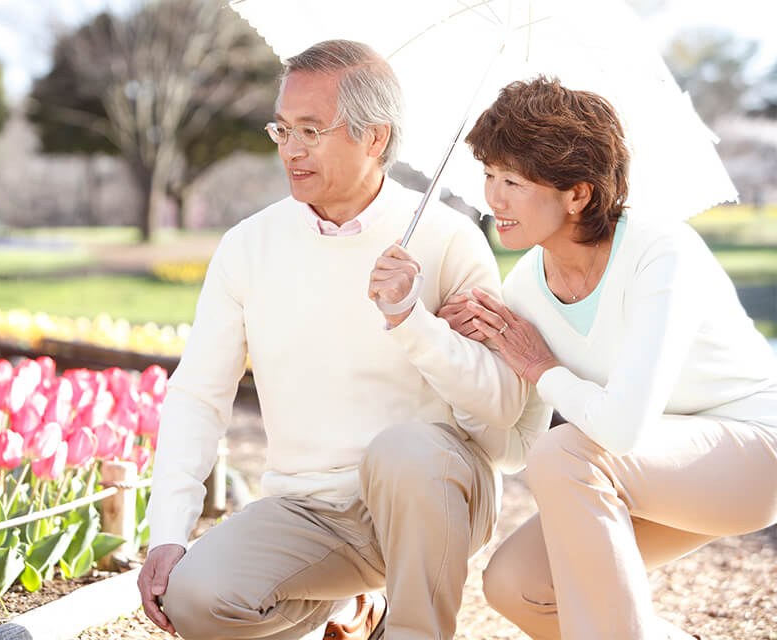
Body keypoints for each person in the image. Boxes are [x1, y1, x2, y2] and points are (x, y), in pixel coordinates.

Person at [136, 40, 548, 640]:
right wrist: (169, 532)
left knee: (405, 451)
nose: (291, 149)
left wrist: (412, 318)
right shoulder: (248, 246)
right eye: (282, 129)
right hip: (307, 511)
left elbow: (503, 405)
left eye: (310, 130)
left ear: (374, 137)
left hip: (430, 500)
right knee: (195, 601)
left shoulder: (449, 240)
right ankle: (350, 607)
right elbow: (198, 394)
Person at [437, 76, 777, 639]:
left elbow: (617, 428)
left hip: (756, 452)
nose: (493, 198)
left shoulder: (660, 251)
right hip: (646, 466)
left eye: (514, 181)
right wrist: (461, 346)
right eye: (490, 176)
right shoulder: (523, 287)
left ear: (578, 193)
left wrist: (543, 368)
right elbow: (517, 441)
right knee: (519, 585)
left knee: (567, 452)